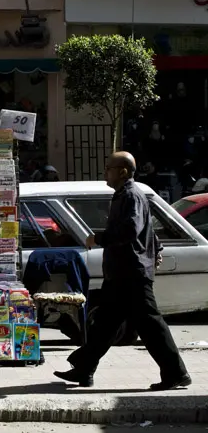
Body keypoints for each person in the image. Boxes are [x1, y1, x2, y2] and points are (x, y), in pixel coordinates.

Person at [54, 151, 191, 391]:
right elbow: (148, 230)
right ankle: (84, 370)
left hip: (132, 274)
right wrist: (155, 248)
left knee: (150, 325)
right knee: (105, 324)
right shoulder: (125, 195)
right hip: (121, 273)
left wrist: (99, 238)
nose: (105, 171)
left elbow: (131, 229)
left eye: (109, 168)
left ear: (123, 171)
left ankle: (176, 373)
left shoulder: (131, 195)